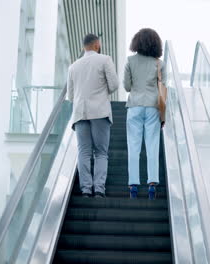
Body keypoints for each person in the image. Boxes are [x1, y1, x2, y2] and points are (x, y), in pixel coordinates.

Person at [67, 33, 119, 198]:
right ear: (97, 45)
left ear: (84, 46)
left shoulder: (73, 66)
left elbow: (70, 96)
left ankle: (86, 190)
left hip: (80, 113)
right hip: (100, 112)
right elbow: (114, 85)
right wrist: (102, 92)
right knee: (101, 152)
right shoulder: (105, 60)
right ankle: (99, 189)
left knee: (84, 152)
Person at [123, 28, 166, 200]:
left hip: (134, 106)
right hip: (153, 106)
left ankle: (133, 185)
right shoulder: (159, 64)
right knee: (152, 145)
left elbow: (126, 86)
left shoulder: (130, 61)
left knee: (133, 146)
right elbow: (164, 86)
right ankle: (152, 184)